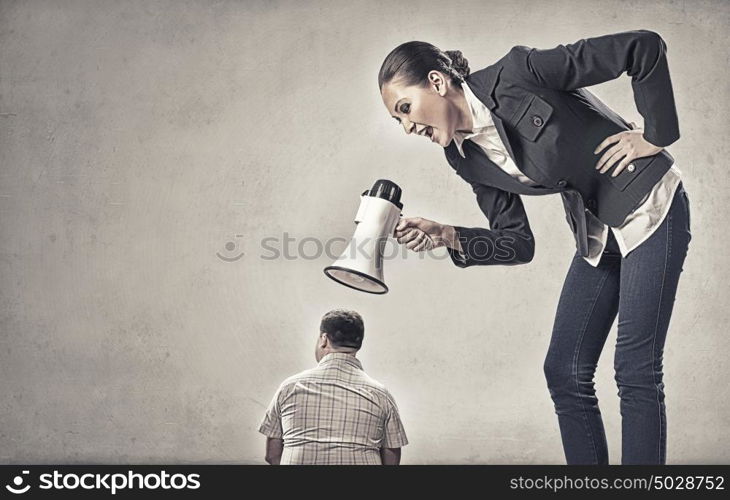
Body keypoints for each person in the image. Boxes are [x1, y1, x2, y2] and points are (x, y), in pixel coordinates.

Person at [378, 30, 691, 464]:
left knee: (634, 368)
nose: (408, 126)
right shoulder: (464, 158)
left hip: (649, 203)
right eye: (398, 121)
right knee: (564, 371)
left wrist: (657, 135)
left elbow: (643, 47)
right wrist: (449, 235)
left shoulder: (518, 70)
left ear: (436, 82)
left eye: (404, 108)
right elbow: (517, 243)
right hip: (599, 230)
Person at [258, 309, 408, 465]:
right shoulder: (381, 394)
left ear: (324, 339)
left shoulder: (290, 387)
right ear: (358, 344)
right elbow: (392, 459)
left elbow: (272, 455)